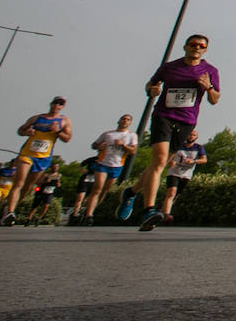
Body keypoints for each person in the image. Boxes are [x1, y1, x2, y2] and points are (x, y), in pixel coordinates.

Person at [120, 34, 221, 232]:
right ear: (185, 47)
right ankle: (149, 210)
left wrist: (208, 87)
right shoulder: (169, 67)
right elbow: (151, 84)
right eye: (193, 45)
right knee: (158, 161)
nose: (197, 48)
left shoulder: (210, 71)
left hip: (187, 122)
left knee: (161, 164)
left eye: (201, 46)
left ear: (205, 50)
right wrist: (152, 90)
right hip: (163, 116)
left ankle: (131, 192)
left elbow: (215, 99)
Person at [2, 97, 73, 226]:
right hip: (27, 154)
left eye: (60, 104)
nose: (57, 105)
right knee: (19, 182)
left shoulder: (64, 121)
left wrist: (57, 131)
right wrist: (26, 132)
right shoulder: (36, 118)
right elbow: (20, 130)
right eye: (55, 102)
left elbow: (67, 138)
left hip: (44, 157)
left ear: (62, 107)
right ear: (51, 104)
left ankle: (10, 208)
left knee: (28, 187)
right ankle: (10, 213)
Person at [77, 114, 138, 225]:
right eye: (123, 118)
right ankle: (89, 215)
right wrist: (99, 147)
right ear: (119, 121)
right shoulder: (108, 134)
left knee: (105, 190)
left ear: (130, 123)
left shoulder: (132, 135)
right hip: (102, 163)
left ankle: (91, 209)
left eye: (128, 120)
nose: (125, 121)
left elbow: (133, 151)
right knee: (97, 188)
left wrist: (123, 145)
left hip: (117, 165)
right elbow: (94, 145)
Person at [159, 131, 206, 224]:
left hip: (186, 174)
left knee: (175, 195)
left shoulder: (198, 148)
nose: (191, 136)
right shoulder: (178, 146)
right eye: (189, 134)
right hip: (174, 172)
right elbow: (168, 157)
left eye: (193, 135)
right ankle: (166, 215)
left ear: (196, 137)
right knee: (171, 192)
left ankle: (161, 211)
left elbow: (204, 160)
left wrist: (194, 161)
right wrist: (171, 162)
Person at [67, 157, 100, 225]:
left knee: (88, 199)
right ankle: (75, 215)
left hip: (95, 181)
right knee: (80, 198)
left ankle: (85, 214)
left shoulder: (106, 161)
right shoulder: (92, 159)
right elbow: (80, 165)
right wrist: (82, 170)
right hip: (86, 180)